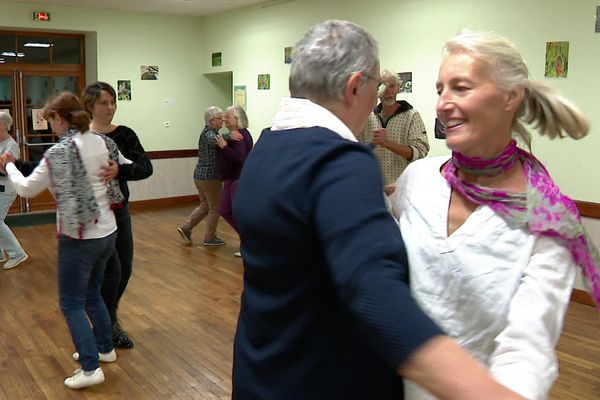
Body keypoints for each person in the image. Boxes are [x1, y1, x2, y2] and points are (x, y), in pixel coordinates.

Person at [231, 20, 524, 400]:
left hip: (263, 370)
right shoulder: (338, 160)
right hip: (324, 380)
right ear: (356, 87)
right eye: (374, 89)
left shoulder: (266, 150)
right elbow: (375, 296)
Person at [389, 30, 600, 400]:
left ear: (510, 96)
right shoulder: (418, 180)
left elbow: (528, 350)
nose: (442, 104)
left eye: (461, 88)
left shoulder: (547, 221)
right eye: (440, 89)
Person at [2, 92, 128, 389]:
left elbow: (27, 189)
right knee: (92, 294)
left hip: (79, 237)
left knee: (71, 303)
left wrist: (8, 165)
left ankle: (90, 367)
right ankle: (104, 348)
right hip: (106, 231)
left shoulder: (59, 153)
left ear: (60, 117)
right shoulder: (98, 140)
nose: (50, 127)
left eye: (51, 120)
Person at [81, 81, 154, 349]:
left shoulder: (124, 135)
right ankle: (107, 323)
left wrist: (120, 171)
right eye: (103, 103)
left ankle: (108, 319)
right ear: (90, 105)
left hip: (119, 212)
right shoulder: (79, 137)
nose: (110, 108)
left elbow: (145, 167)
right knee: (107, 273)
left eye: (113, 102)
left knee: (124, 270)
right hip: (91, 217)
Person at [358, 69, 429, 187]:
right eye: (384, 86)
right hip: (374, 186)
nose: (388, 91)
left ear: (399, 88)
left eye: (392, 86)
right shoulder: (367, 116)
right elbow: (357, 147)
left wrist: (386, 143)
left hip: (403, 186)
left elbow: (420, 152)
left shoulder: (412, 115)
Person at [178, 106, 227, 247]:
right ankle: (210, 237)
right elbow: (214, 140)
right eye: (219, 118)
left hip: (200, 176)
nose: (222, 120)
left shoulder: (208, 132)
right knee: (215, 208)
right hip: (209, 177)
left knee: (205, 205)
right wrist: (232, 136)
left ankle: (186, 228)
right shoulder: (209, 133)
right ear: (211, 121)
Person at [215, 105, 253, 257]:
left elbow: (240, 158)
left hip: (238, 179)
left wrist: (224, 147)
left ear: (237, 120)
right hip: (229, 179)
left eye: (228, 116)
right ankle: (247, 240)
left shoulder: (241, 136)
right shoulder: (232, 135)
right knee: (224, 209)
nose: (224, 119)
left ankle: (249, 242)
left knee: (238, 213)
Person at [0, 111, 28, 270]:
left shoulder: (12, 146)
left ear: (4, 125)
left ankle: (17, 253)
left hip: (6, 188)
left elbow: (7, 170)